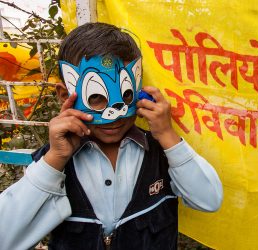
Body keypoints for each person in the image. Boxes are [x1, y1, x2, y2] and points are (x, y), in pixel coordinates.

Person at [0, 22, 223, 250]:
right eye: (95, 97)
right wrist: (55, 160)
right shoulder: (55, 163)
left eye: (126, 96)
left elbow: (208, 199)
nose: (114, 115)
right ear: (64, 94)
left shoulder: (160, 153)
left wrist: (167, 135)